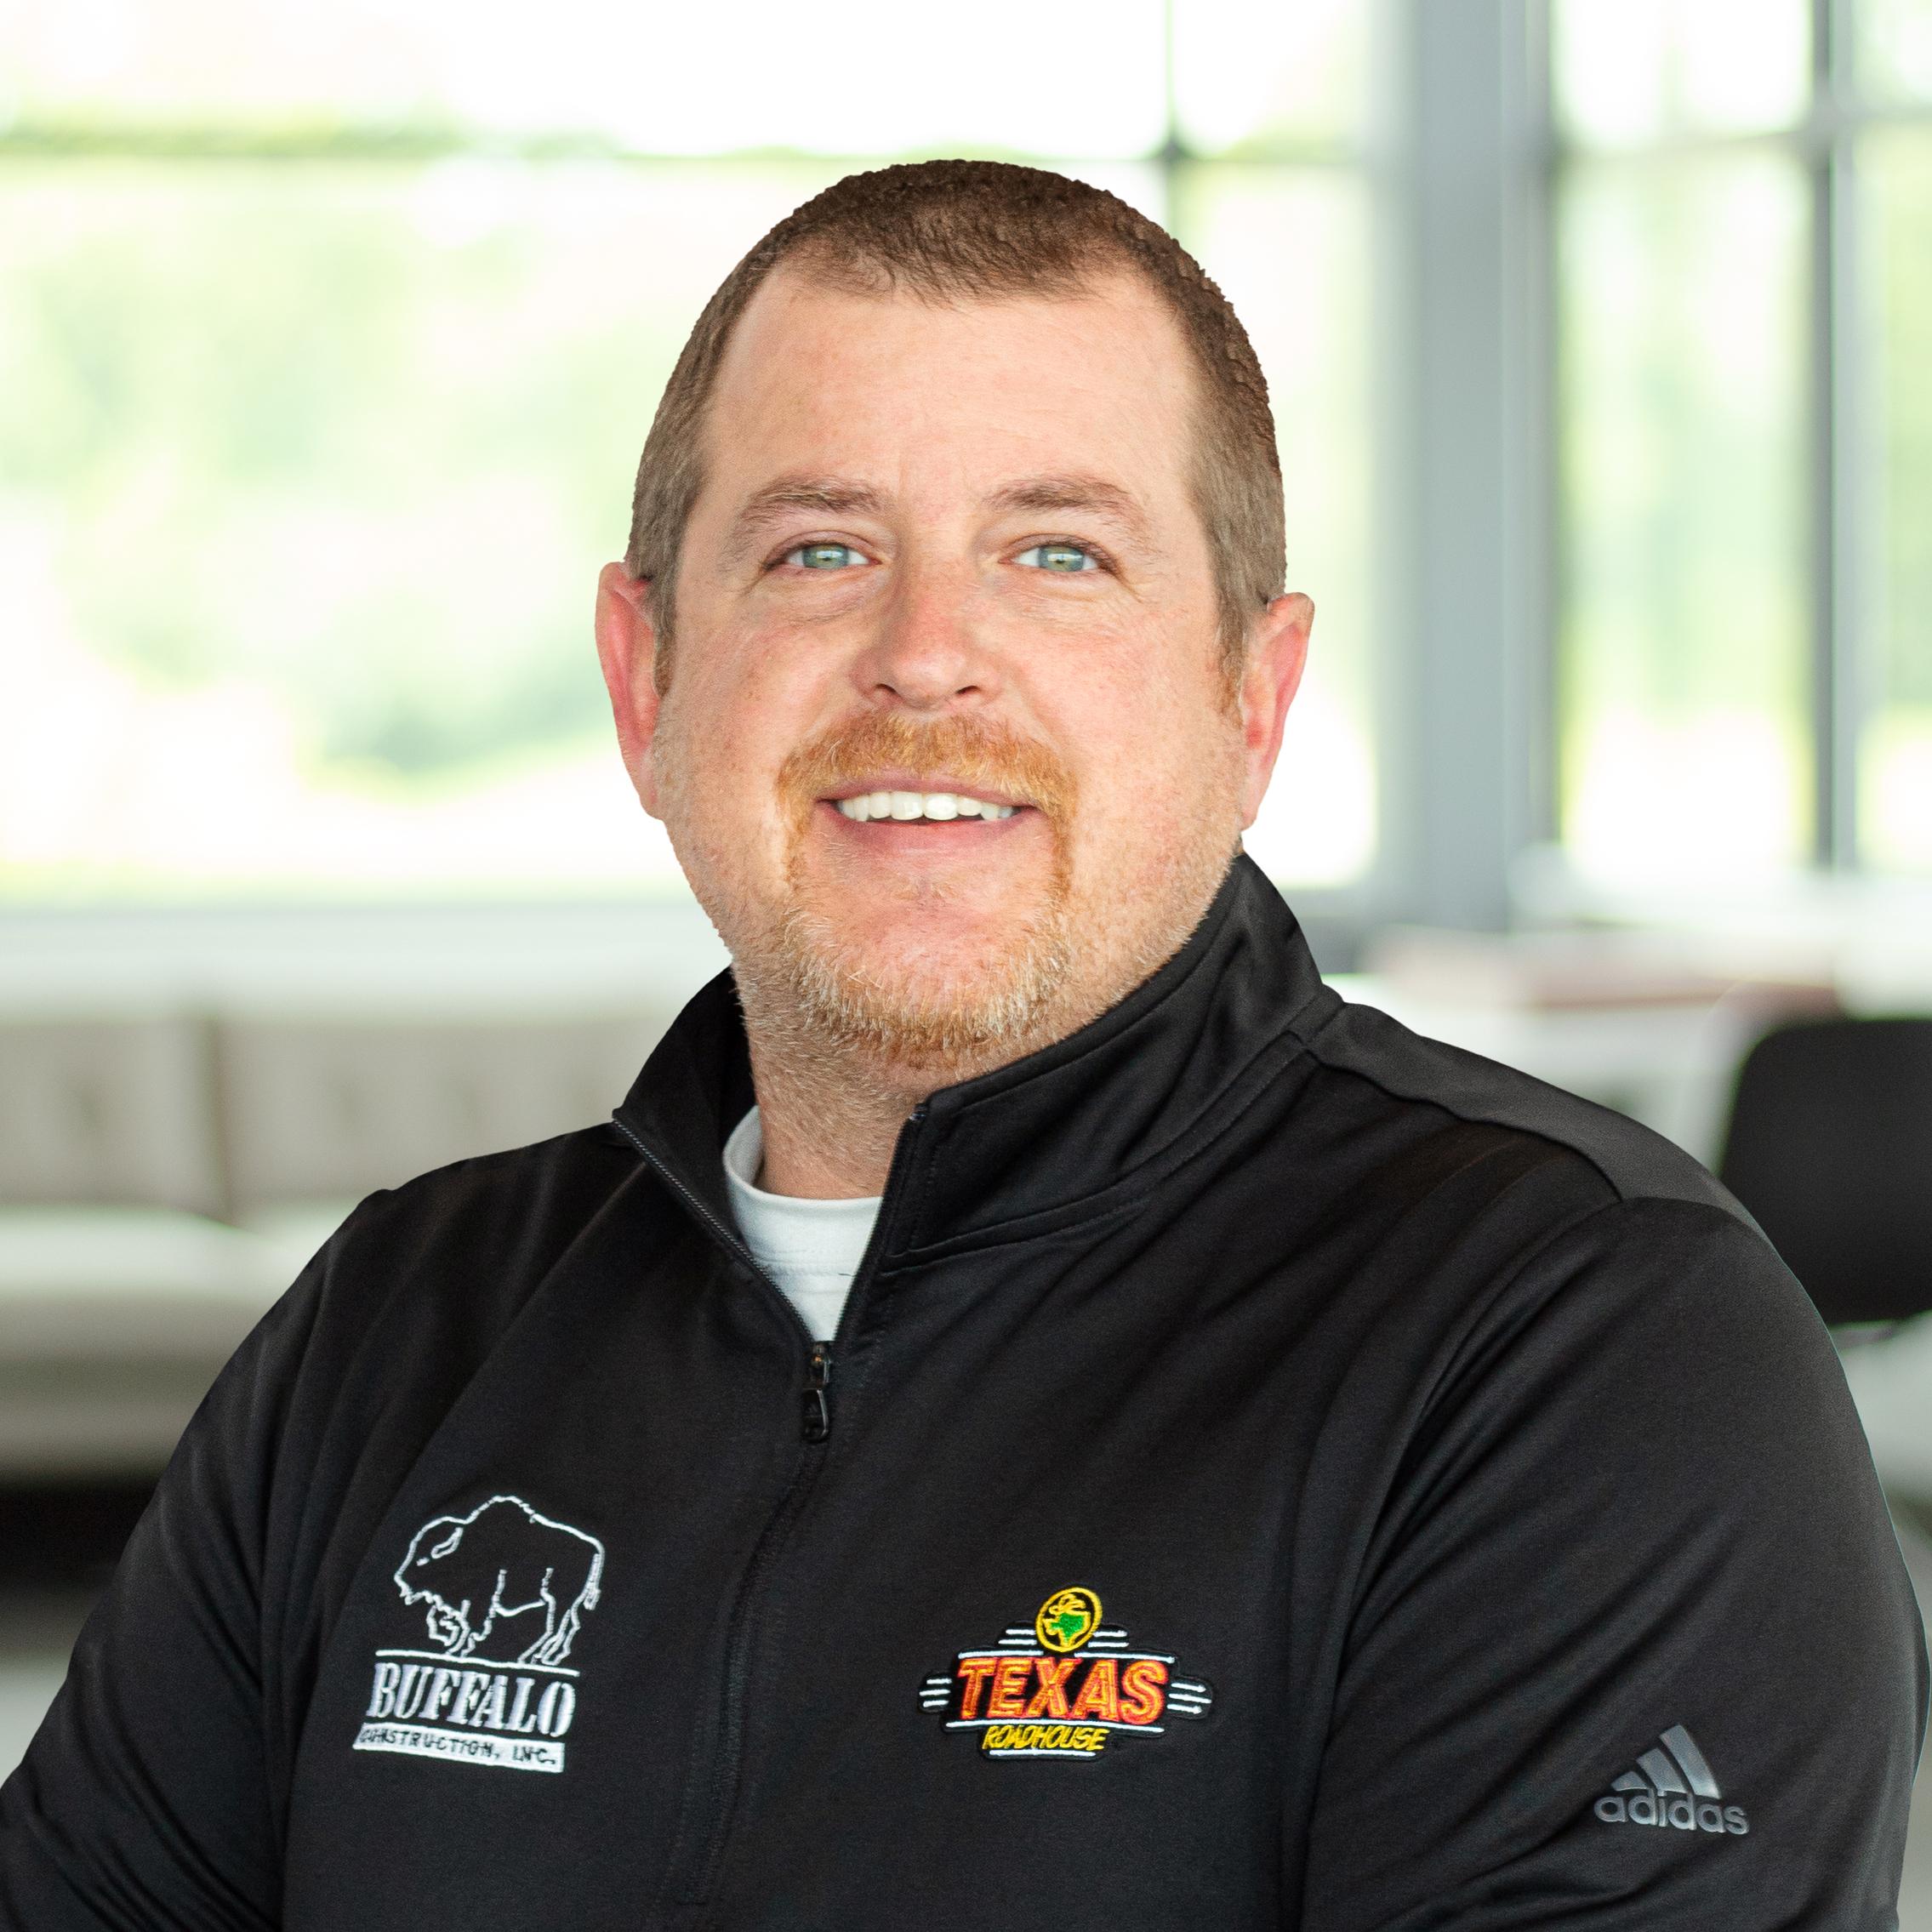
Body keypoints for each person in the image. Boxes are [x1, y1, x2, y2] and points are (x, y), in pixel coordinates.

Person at [1, 159, 1922, 1930]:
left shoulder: (1579, 1345)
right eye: (817, 549)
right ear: (644, 679)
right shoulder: (396, 1330)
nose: (925, 651)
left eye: (1058, 553)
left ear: (1249, 700)